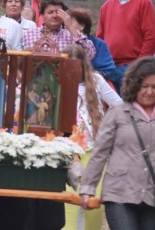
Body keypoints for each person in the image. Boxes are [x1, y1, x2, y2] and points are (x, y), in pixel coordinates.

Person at [80, 57, 155, 229]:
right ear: (134, 85)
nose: (149, 92)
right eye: (144, 86)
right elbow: (100, 153)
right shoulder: (117, 113)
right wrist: (88, 187)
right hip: (119, 193)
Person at [62, 44, 122, 230]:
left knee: (94, 205)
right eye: (69, 67)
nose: (74, 71)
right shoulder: (59, 82)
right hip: (68, 151)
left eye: (77, 67)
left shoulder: (96, 81)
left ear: (84, 65)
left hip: (94, 150)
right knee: (70, 204)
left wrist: (108, 127)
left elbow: (119, 105)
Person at [96, 0, 155, 92]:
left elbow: (151, 37)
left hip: (132, 67)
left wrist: (138, 66)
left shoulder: (143, 3)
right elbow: (99, 38)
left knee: (130, 104)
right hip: (109, 69)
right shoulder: (107, 6)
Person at [22, 0, 95, 59]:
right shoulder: (29, 34)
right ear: (42, 15)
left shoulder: (71, 35)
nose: (54, 16)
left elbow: (89, 54)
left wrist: (70, 26)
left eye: (58, 12)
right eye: (50, 12)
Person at [68, 8, 122, 87]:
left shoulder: (98, 44)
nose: (66, 26)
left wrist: (89, 76)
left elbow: (109, 70)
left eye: (70, 22)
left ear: (82, 26)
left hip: (94, 85)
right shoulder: (65, 41)